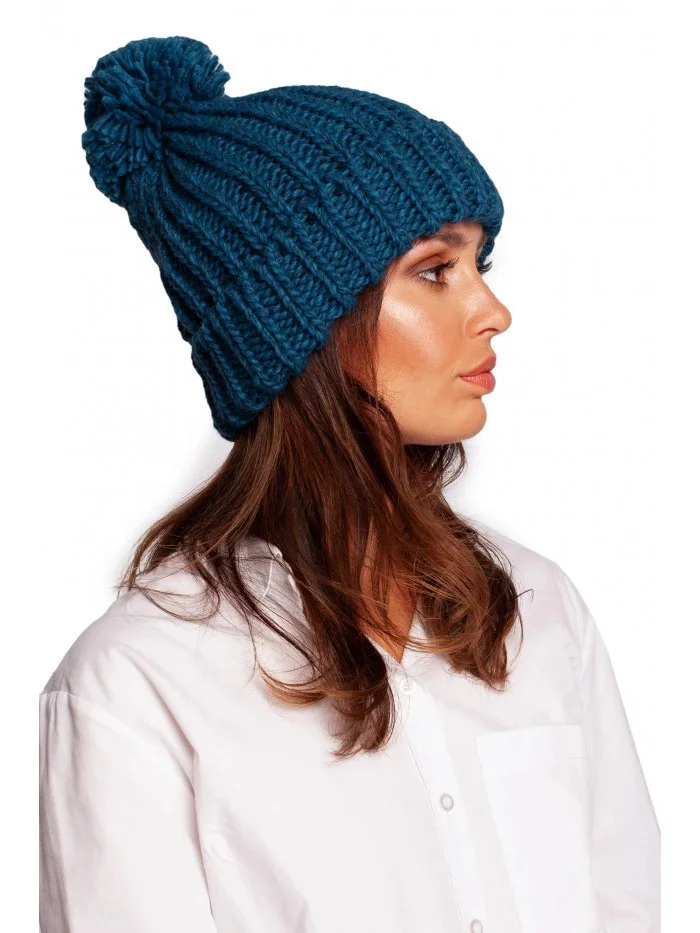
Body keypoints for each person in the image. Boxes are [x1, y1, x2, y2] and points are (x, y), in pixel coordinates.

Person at [39, 35, 660, 933]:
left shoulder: (537, 610)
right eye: (435, 270)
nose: (493, 311)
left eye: (481, 265)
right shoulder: (138, 685)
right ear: (306, 321)